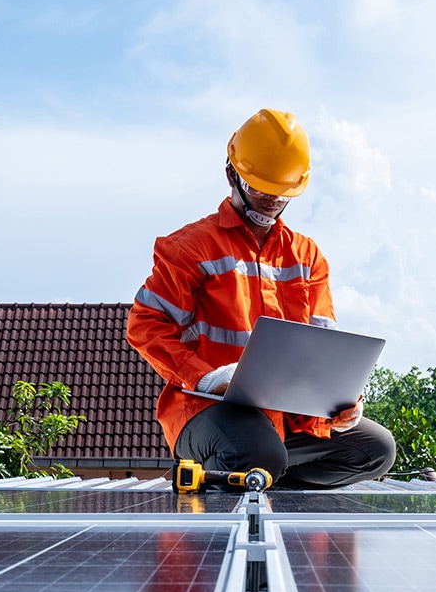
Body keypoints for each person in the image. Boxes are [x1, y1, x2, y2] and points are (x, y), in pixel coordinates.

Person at [127, 108, 397, 490]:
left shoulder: (307, 256)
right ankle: (258, 466)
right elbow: (145, 327)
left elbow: (327, 347)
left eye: (283, 193)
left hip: (286, 419)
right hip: (208, 410)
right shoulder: (189, 248)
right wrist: (207, 377)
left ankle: (266, 476)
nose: (272, 201)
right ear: (231, 175)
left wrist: (344, 397)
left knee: (376, 449)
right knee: (259, 452)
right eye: (260, 189)